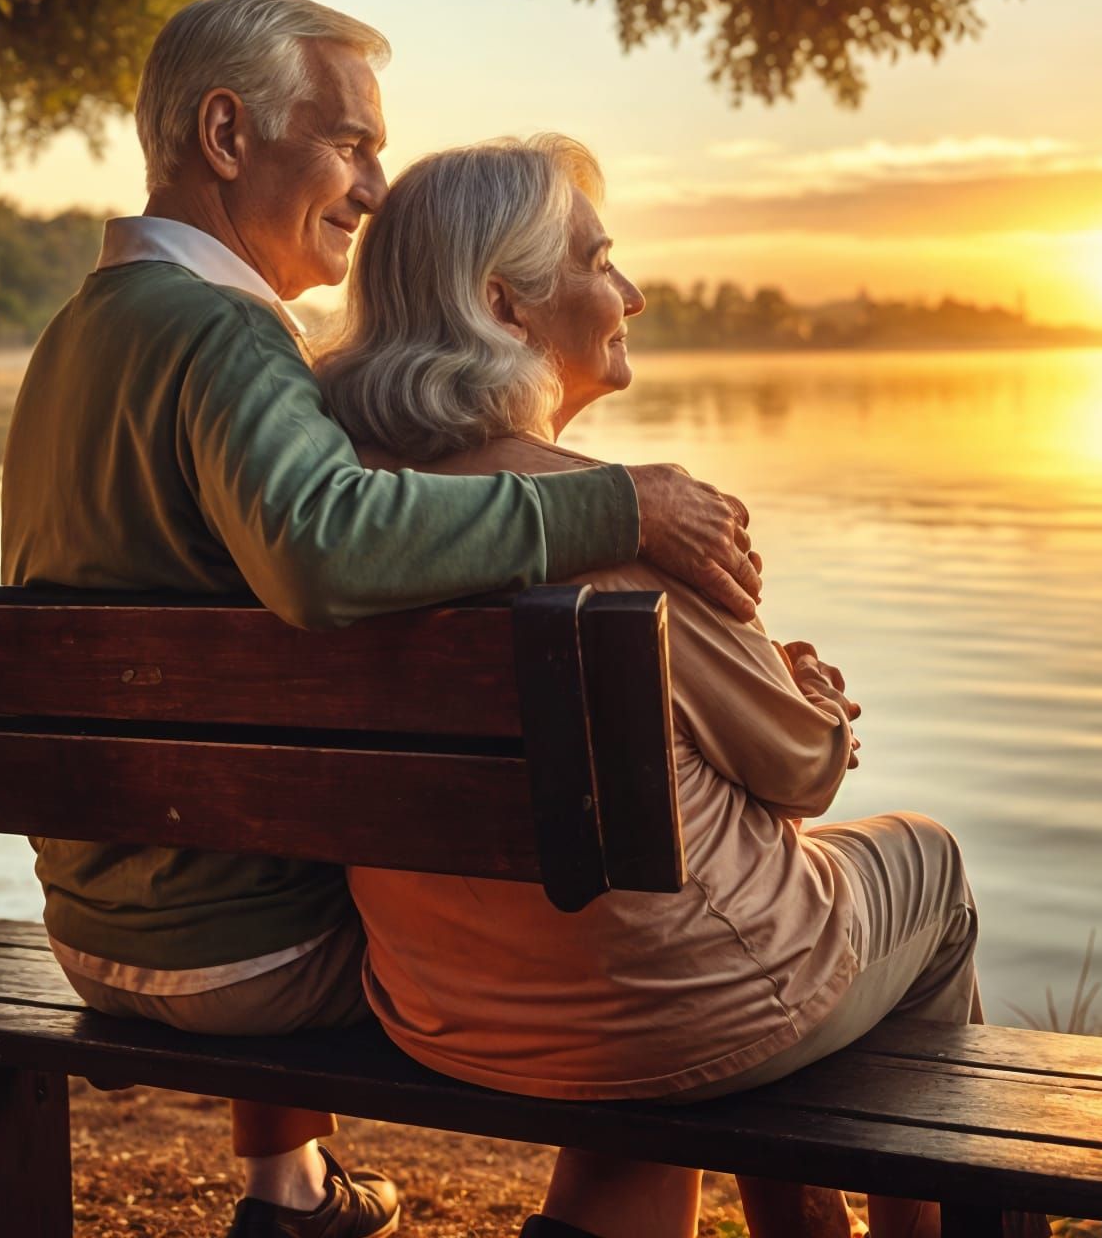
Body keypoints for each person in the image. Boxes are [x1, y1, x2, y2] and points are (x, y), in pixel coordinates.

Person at [1, 0, 762, 1238]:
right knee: (627, 975)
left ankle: (288, 1189)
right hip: (250, 952)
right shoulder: (224, 336)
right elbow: (324, 547)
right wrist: (614, 505)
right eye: (350, 144)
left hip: (95, 924)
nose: (373, 186)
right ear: (228, 135)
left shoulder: (78, 338)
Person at [317, 136, 993, 1238]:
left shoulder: (346, 526)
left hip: (443, 1008)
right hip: (686, 1008)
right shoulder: (627, 525)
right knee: (929, 868)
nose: (629, 292)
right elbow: (805, 773)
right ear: (504, 306)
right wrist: (809, 697)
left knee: (672, 916)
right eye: (598, 260)